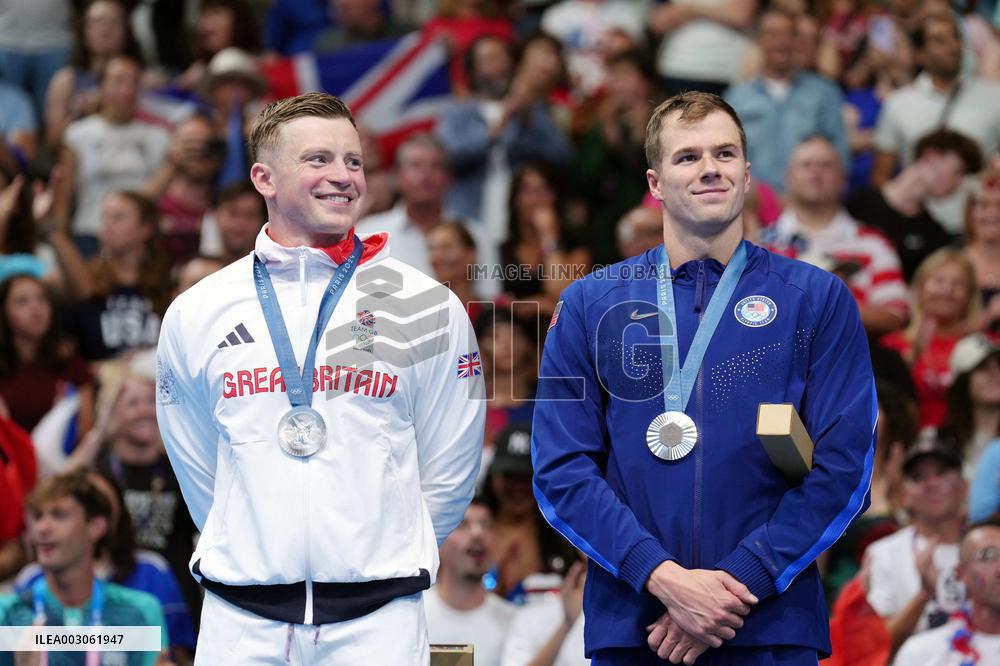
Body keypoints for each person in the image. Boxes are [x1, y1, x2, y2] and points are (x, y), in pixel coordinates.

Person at [531, 91, 876, 664]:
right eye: (687, 157)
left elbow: (847, 467)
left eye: (725, 153)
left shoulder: (815, 299)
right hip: (637, 625)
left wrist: (737, 583)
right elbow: (560, 468)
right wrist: (663, 579)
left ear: (747, 174)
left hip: (769, 622)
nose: (710, 168)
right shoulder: (590, 304)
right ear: (655, 183)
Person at [155, 92, 486, 663]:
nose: (343, 177)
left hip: (379, 620)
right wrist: (254, 543)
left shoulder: (427, 305)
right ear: (264, 178)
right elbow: (197, 463)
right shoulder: (197, 310)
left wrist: (383, 555)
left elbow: (451, 463)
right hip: (240, 620)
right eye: (318, 159)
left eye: (353, 161)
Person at [0, 470, 169, 666]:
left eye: (59, 515)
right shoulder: (6, 615)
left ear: (96, 527)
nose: (42, 528)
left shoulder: (141, 613)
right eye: (38, 517)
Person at [762, 134, 908, 335]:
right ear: (788, 178)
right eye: (806, 165)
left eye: (826, 165)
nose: (815, 172)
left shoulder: (873, 242)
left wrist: (824, 310)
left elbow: (895, 315)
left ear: (843, 180)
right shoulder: (761, 243)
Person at [724, 9, 849, 195]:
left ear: (797, 40)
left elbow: (840, 156)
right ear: (758, 40)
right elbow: (727, 157)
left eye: (787, 34)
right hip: (752, 201)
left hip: (810, 199)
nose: (780, 42)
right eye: (771, 34)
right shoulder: (737, 98)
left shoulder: (824, 93)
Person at [865, 438, 967, 653]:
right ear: (904, 495)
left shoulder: (989, 549)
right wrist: (923, 594)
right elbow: (874, 648)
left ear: (964, 487)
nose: (932, 484)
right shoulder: (883, 554)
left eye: (942, 473)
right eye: (919, 477)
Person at [846, 129, 982, 281]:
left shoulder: (936, 236)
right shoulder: (856, 203)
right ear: (931, 156)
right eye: (958, 171)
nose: (958, 183)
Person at [424, 497, 516, 666]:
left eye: (486, 525)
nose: (477, 533)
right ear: (437, 539)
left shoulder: (512, 622)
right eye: (462, 524)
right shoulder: (413, 616)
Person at [894, 522, 1000, 666]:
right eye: (986, 558)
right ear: (960, 573)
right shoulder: (920, 653)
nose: (999, 569)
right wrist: (925, 593)